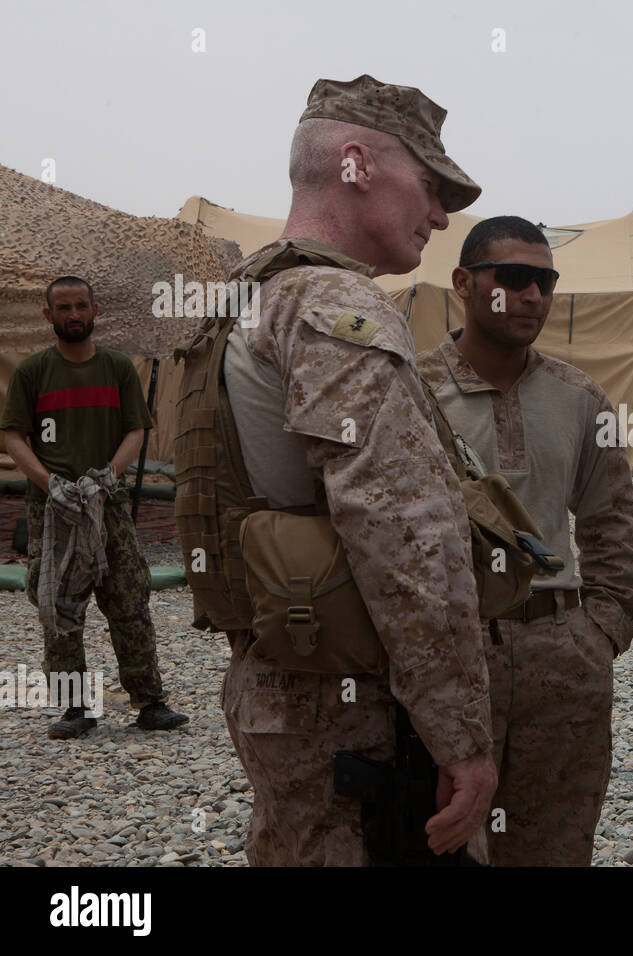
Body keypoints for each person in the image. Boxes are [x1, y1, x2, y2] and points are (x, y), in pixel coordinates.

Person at [175, 74, 496, 865]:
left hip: (285, 693)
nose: (442, 215)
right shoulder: (330, 305)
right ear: (356, 164)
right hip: (359, 721)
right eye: (429, 185)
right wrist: (461, 737)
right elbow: (400, 530)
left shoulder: (247, 297)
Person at [418, 216, 633, 866]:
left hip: (562, 666)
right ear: (464, 283)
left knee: (555, 850)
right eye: (514, 279)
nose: (533, 296)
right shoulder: (410, 393)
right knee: (444, 846)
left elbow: (614, 536)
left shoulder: (582, 400)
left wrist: (595, 637)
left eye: (544, 281)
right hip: (448, 664)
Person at [2, 276, 188, 740]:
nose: (73, 315)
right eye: (63, 308)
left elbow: (136, 430)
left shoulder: (118, 368)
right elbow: (11, 436)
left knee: (130, 600)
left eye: (80, 306)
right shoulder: (32, 373)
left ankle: (150, 703)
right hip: (54, 510)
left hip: (109, 507)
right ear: (49, 315)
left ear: (94, 309)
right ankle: (73, 710)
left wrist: (108, 477)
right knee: (59, 609)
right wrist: (51, 484)